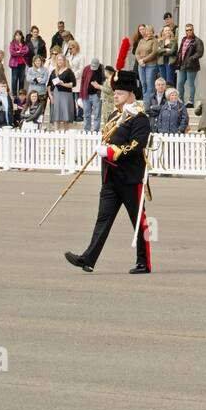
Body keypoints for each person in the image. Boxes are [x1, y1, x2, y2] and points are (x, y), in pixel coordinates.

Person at [64, 62, 152, 275]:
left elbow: (135, 146)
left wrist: (111, 152)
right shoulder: (115, 116)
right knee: (103, 219)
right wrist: (102, 147)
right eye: (116, 92)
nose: (116, 96)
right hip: (111, 178)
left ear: (131, 94)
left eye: (120, 93)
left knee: (140, 223)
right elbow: (107, 135)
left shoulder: (140, 118)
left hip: (130, 178)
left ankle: (145, 262)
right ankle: (89, 258)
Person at [176, 23, 203, 107]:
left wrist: (190, 59)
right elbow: (180, 51)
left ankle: (191, 101)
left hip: (192, 66)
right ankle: (180, 101)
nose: (188, 32)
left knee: (190, 83)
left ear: (193, 30)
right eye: (187, 30)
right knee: (180, 83)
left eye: (190, 30)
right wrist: (178, 60)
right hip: (182, 65)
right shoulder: (184, 39)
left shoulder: (197, 41)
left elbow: (200, 53)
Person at [48, 54, 77, 127]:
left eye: (61, 59)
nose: (59, 61)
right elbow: (48, 84)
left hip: (66, 95)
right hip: (55, 95)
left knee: (65, 117)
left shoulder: (68, 71)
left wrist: (63, 84)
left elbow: (73, 84)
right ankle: (56, 134)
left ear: (64, 61)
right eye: (58, 60)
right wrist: (50, 96)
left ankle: (65, 135)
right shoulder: (54, 71)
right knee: (56, 117)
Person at [135, 24, 160, 100]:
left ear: (153, 32)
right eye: (148, 31)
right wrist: (139, 60)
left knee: (150, 85)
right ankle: (146, 102)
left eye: (151, 32)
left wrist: (143, 60)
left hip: (151, 65)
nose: (149, 33)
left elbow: (154, 53)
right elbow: (137, 52)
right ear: (145, 32)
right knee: (143, 84)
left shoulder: (155, 40)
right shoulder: (141, 41)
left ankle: (148, 103)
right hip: (141, 65)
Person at [81, 59, 104, 133]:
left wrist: (99, 87)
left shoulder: (101, 69)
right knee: (86, 114)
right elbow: (83, 81)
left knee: (97, 114)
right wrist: (81, 94)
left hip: (96, 95)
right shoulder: (86, 69)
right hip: (86, 94)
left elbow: (104, 81)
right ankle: (86, 131)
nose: (93, 68)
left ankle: (96, 131)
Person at [8, 30, 30, 97]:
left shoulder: (24, 44)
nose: (18, 36)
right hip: (15, 64)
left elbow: (26, 51)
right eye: (17, 35)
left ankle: (21, 94)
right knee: (14, 79)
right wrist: (20, 52)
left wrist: (18, 51)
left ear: (21, 36)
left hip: (22, 64)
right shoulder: (12, 44)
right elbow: (12, 53)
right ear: (15, 36)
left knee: (21, 80)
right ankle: (14, 95)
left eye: (19, 35)